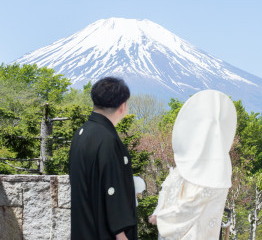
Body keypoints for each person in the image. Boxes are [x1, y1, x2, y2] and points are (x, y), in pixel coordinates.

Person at [149, 90, 237, 239]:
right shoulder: (208, 161)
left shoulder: (213, 165)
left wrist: (162, 218)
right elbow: (169, 188)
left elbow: (192, 205)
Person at [69, 77, 137, 240]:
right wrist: (121, 235)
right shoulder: (107, 140)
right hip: (103, 233)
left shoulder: (82, 132)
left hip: (84, 227)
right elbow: (111, 188)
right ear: (123, 106)